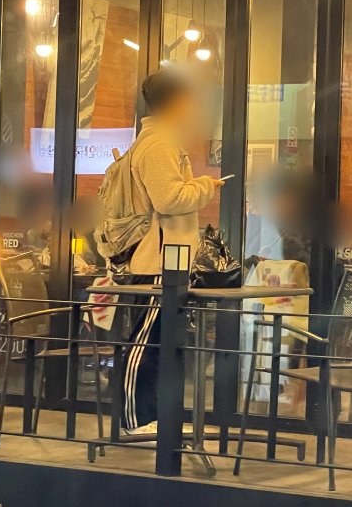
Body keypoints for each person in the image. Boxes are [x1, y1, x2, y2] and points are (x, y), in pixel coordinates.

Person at [119, 67, 225, 435]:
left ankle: (158, 421)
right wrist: (205, 186)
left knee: (161, 346)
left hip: (168, 263)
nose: (192, 107)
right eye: (188, 99)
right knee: (146, 345)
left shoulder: (159, 140)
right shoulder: (159, 144)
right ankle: (136, 421)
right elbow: (168, 199)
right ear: (176, 101)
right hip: (158, 263)